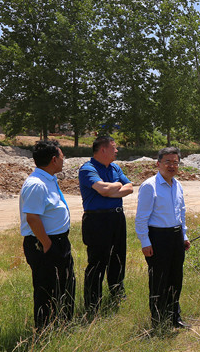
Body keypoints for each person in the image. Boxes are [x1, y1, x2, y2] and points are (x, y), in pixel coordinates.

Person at [19, 139, 75, 331]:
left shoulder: (48, 179)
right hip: (44, 244)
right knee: (46, 289)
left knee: (64, 286)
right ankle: (44, 331)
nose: (63, 159)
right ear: (53, 159)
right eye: (61, 155)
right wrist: (48, 244)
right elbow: (32, 218)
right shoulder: (37, 184)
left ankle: (63, 327)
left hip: (58, 241)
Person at [135, 147, 190, 331]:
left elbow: (181, 213)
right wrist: (145, 242)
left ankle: (175, 317)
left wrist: (184, 236)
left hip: (175, 237)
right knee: (159, 280)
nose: (172, 166)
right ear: (158, 163)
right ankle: (158, 321)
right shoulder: (150, 186)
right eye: (168, 162)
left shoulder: (178, 185)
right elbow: (141, 218)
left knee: (176, 278)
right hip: (158, 237)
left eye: (175, 162)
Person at [78, 135, 133, 317]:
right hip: (97, 221)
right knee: (97, 262)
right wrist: (116, 186)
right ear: (103, 149)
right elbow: (102, 189)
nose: (117, 150)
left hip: (117, 218)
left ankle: (117, 294)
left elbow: (130, 187)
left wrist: (111, 191)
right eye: (114, 147)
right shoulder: (88, 168)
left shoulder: (115, 167)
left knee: (118, 259)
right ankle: (93, 304)